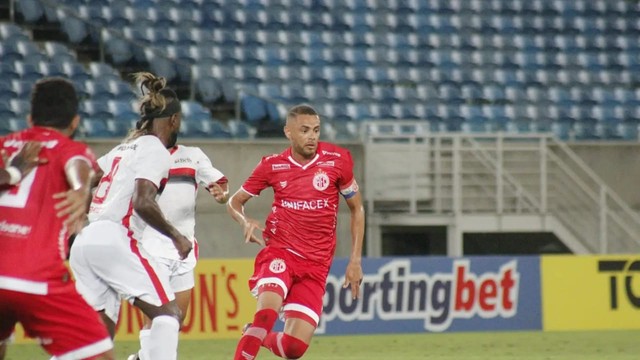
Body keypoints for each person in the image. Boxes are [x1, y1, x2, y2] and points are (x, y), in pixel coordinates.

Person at [227, 104, 365, 360]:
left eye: (316, 130)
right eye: (304, 130)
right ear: (288, 132)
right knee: (266, 314)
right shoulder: (272, 166)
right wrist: (244, 220)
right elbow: (234, 202)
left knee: (294, 349)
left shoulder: (338, 161)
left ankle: (253, 334)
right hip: (281, 253)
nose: (312, 136)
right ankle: (254, 335)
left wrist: (355, 260)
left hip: (316, 265)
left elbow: (357, 209)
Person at [69, 72, 191, 360]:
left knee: (95, 342)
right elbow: (142, 202)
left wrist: (80, 219)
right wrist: (177, 236)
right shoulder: (156, 150)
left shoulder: (122, 149)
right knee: (168, 314)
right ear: (173, 120)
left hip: (86, 242)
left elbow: (87, 177)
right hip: (115, 237)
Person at [0, 77, 114, 360]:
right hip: (35, 278)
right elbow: (78, 166)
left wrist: (13, 174)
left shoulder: (5, 146)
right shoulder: (71, 150)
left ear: (29, 118)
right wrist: (81, 187)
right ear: (74, 123)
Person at [127, 143, 230, 360]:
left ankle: (141, 358)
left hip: (183, 249)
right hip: (152, 246)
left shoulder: (192, 156)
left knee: (176, 321)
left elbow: (220, 183)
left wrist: (221, 195)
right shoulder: (142, 155)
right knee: (158, 318)